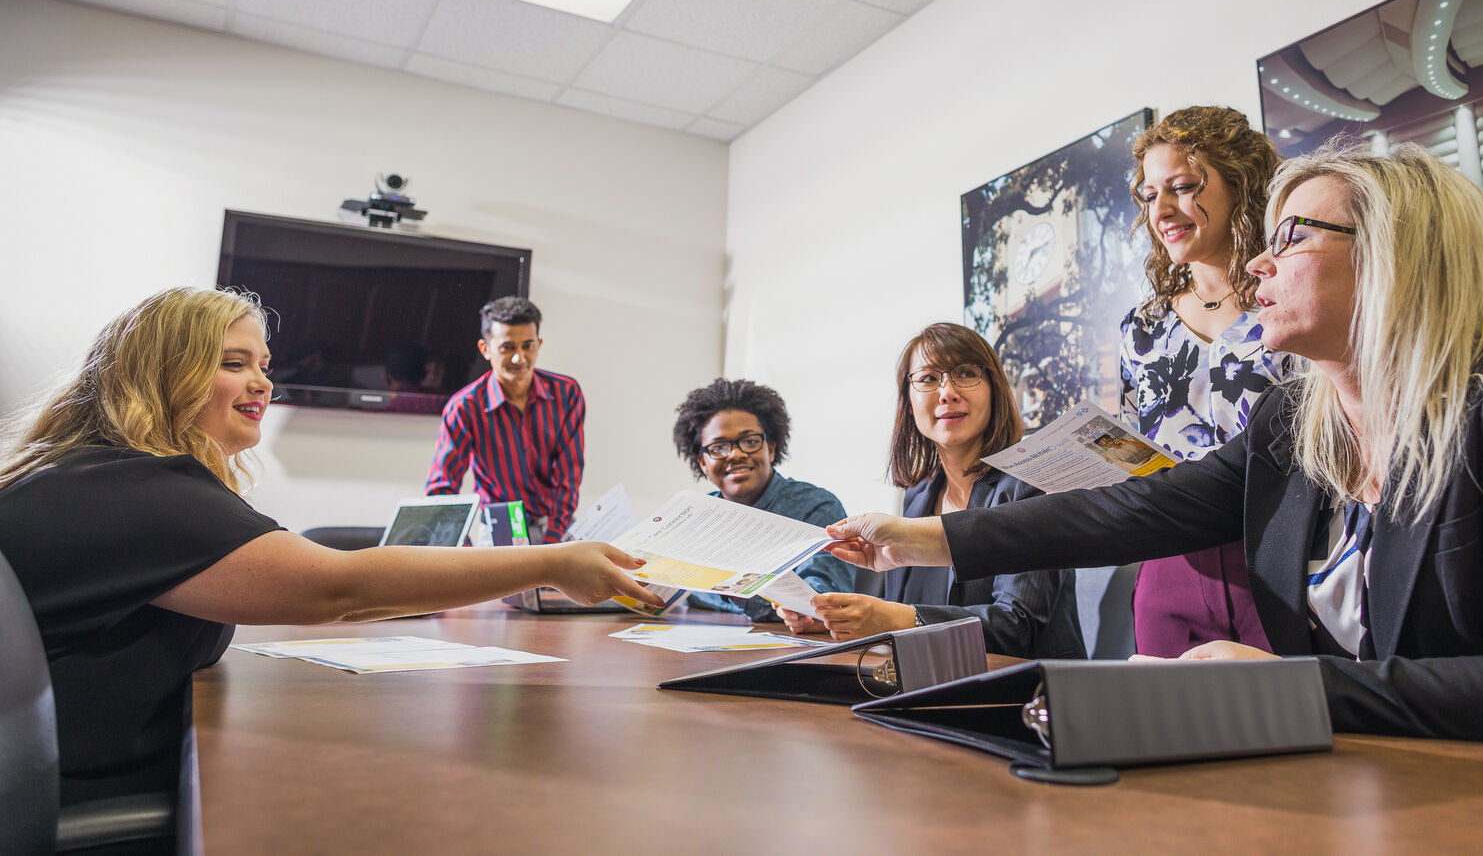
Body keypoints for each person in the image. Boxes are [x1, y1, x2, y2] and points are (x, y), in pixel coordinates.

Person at [825, 144, 1483, 744]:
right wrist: (911, 541)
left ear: (1399, 251)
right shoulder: (1295, 419)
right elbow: (1134, 510)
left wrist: (1285, 687)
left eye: (1292, 236)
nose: (1260, 261)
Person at [0, 287, 662, 808]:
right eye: (234, 364)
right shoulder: (144, 490)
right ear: (159, 374)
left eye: (263, 364)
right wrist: (553, 560)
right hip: (90, 788)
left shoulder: (94, 470)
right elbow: (340, 588)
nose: (263, 383)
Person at [780, 323, 1084, 659]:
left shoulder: (1032, 484)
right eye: (927, 378)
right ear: (908, 403)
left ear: (994, 389)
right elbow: (905, 619)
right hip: (935, 684)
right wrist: (835, 620)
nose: (947, 392)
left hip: (1028, 697)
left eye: (966, 373)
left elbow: (1016, 628)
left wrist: (894, 619)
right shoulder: (920, 494)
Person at [1122, 105, 1286, 657]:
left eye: (1184, 186)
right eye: (1149, 195)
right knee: (1165, 733)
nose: (1162, 210)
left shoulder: (1290, 307)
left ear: (1241, 186)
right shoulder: (1141, 328)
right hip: (1170, 565)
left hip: (1280, 556)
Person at [671, 378, 853, 621]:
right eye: (718, 448)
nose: (735, 454)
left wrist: (733, 586)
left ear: (771, 448)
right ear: (703, 462)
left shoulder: (816, 509)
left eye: (750, 441)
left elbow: (821, 606)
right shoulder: (695, 515)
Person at [426, 296, 584, 543]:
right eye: (508, 347)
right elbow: (442, 491)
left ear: (539, 344)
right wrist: (462, 546)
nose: (519, 358)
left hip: (556, 523)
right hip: (500, 528)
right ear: (485, 349)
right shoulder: (464, 407)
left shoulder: (566, 393)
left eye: (528, 346)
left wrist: (553, 539)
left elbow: (569, 475)